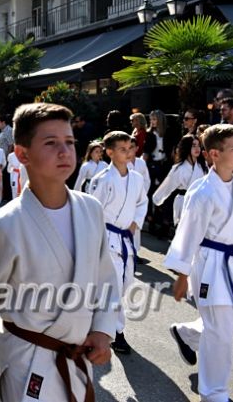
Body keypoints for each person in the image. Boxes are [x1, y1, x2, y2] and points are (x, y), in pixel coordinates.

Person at [0, 103, 116, 401]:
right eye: (51, 143)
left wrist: (104, 331)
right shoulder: (4, 225)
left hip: (77, 355)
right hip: (28, 359)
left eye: (69, 142)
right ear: (22, 154)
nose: (65, 152)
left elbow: (106, 277)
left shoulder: (90, 209)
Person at [165, 124, 233, 402]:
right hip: (208, 264)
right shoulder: (202, 192)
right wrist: (181, 274)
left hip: (231, 264)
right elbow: (187, 232)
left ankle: (188, 334)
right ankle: (214, 393)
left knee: (232, 324)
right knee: (219, 334)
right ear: (214, 154)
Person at [90, 131, 148, 355]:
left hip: (126, 239)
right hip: (106, 238)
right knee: (113, 287)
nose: (128, 153)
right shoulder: (102, 180)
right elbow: (92, 211)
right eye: (122, 149)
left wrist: (135, 221)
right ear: (110, 152)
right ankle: (116, 332)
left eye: (129, 148)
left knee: (125, 284)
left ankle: (99, 318)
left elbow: (142, 202)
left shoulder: (137, 178)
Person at [153, 134, 208, 226]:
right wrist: (157, 199)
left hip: (201, 202)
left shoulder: (203, 166)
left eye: (198, 145)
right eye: (193, 146)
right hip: (184, 202)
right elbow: (167, 186)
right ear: (187, 147)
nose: (197, 148)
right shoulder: (179, 169)